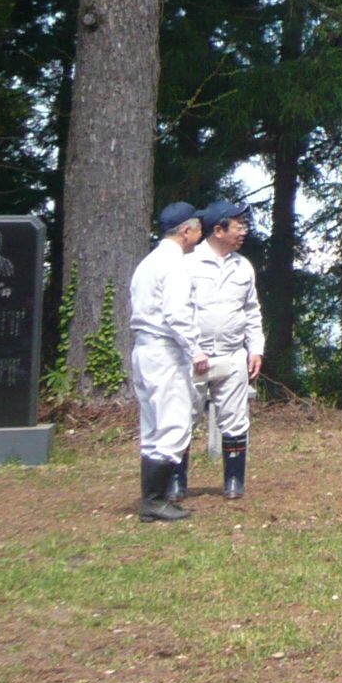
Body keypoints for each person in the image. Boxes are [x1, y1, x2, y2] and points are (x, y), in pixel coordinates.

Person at [128, 202, 206, 523]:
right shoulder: (175, 266)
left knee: (152, 425)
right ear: (186, 231)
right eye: (199, 228)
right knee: (174, 424)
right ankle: (157, 499)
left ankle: (151, 498)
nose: (201, 234)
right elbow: (176, 313)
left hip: (143, 350)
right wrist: (195, 350)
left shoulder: (147, 263)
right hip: (165, 351)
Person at [187, 200, 264, 500]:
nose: (243, 231)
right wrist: (192, 349)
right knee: (186, 417)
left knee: (235, 418)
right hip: (196, 356)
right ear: (218, 230)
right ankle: (177, 481)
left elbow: (251, 310)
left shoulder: (243, 266)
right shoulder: (189, 263)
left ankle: (234, 482)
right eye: (237, 225)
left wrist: (255, 348)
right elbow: (179, 312)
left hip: (233, 354)